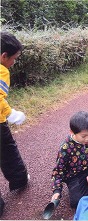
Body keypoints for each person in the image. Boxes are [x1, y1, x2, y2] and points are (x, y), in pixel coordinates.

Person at [0, 31, 29, 217]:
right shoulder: (2, 70)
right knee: (8, 152)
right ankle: (19, 180)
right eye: (14, 58)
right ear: (4, 56)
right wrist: (10, 114)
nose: (14, 62)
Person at [50, 111, 88, 209]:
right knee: (77, 202)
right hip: (75, 175)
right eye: (83, 136)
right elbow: (58, 170)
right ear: (72, 132)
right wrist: (57, 191)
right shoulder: (66, 148)